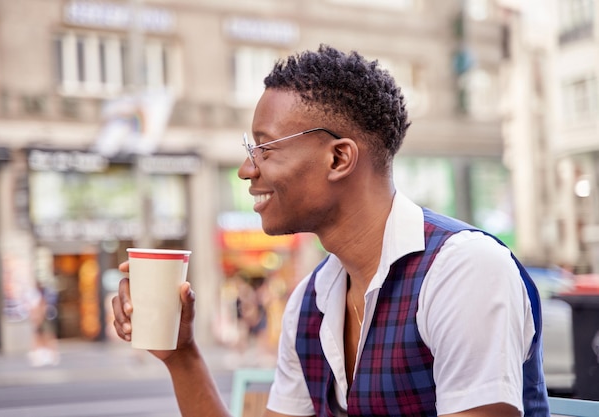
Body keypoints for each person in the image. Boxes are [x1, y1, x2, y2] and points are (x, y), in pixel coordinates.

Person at [112, 44, 549, 416]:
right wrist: (181, 355)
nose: (247, 170)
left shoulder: (464, 270)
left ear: (339, 158)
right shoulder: (311, 299)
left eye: (264, 148)